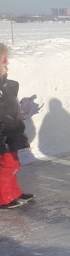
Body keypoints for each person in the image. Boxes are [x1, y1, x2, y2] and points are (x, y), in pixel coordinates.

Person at [0, 43, 35, 209]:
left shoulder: (5, 86)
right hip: (3, 134)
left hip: (10, 131)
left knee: (13, 163)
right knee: (8, 165)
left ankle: (14, 192)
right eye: (3, 66)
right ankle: (4, 197)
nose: (6, 70)